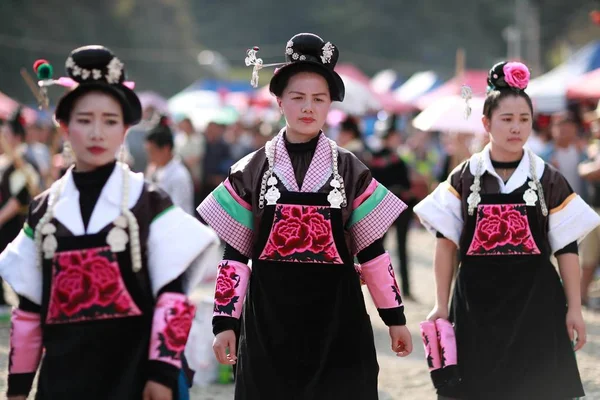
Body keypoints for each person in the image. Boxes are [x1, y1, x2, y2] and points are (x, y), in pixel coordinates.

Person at [197, 33, 413, 400]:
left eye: (319, 99)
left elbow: (372, 252)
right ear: (279, 101)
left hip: (337, 320)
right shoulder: (251, 169)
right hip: (268, 321)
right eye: (297, 97)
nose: (307, 107)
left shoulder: (350, 169)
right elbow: (235, 255)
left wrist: (395, 319)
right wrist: (224, 323)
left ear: (331, 106)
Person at [0, 46, 220, 400]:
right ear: (64, 125)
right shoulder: (44, 210)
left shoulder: (148, 201)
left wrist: (161, 374)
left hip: (132, 377)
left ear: (125, 129)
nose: (97, 133)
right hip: (63, 380)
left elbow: (173, 296)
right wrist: (18, 390)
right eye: (84, 120)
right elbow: (28, 312)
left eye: (110, 121)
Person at [414, 61, 599, 399]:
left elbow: (567, 249)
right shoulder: (464, 177)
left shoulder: (548, 178)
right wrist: (441, 305)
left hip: (536, 303)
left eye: (524, 120)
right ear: (486, 123)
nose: (517, 128)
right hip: (475, 304)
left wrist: (574, 307)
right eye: (507, 119)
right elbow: (446, 244)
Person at [364, 128, 414, 299]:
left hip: (392, 209)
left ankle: (399, 289)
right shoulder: (384, 158)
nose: (397, 139)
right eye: (395, 136)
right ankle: (388, 289)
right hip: (388, 208)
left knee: (392, 250)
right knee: (384, 251)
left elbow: (406, 183)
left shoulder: (395, 158)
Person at [0, 108, 41, 314]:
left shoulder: (23, 162)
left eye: (5, 136)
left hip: (16, 223)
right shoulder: (8, 161)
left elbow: (19, 199)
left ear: (16, 137)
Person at [145, 116, 195, 215]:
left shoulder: (179, 176)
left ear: (166, 149)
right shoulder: (154, 169)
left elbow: (178, 211)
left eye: (152, 152)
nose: (150, 157)